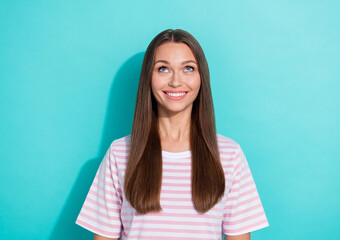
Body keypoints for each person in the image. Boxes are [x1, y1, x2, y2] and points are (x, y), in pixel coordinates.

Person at [75, 29, 269, 240]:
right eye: (163, 69)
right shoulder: (120, 153)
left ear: (201, 77)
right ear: (148, 77)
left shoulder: (229, 155)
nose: (176, 82)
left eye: (188, 68)